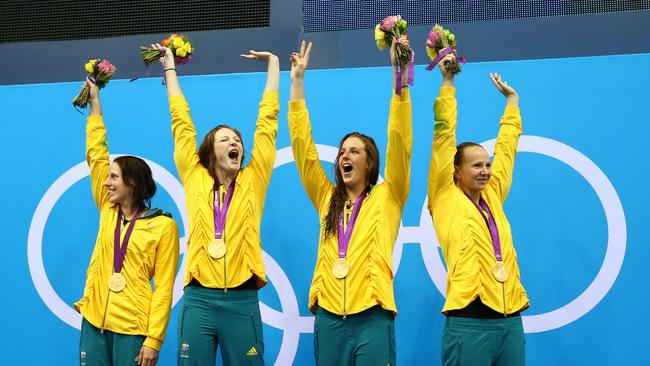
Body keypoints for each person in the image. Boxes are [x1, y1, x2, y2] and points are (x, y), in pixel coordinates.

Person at [153, 43, 279, 365]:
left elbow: (267, 126)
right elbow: (181, 123)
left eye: (237, 139)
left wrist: (274, 67)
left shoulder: (254, 178)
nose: (234, 142)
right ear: (210, 151)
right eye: (225, 139)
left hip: (242, 298)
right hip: (199, 299)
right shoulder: (194, 175)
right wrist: (169, 69)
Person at [287, 40, 412, 365]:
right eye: (343, 151)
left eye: (354, 151)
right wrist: (297, 84)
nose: (345, 155)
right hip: (329, 318)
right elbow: (303, 150)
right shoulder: (327, 197)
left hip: (373, 316)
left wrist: (400, 84)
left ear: (370, 163)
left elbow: (400, 142)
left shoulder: (390, 195)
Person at [427, 54, 530, 366]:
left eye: (487, 164)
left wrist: (512, 103)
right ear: (456, 171)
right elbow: (443, 137)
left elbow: (507, 149)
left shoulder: (493, 195)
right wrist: (448, 83)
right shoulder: (444, 196)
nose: (486, 170)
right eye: (476, 165)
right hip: (468, 324)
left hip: (510, 321)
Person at [75, 78, 180, 366]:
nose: (106, 183)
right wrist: (95, 104)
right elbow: (96, 155)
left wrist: (154, 338)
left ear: (132, 182)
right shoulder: (108, 210)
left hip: (133, 329)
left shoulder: (163, 225)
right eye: (107, 177)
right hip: (94, 322)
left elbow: (165, 288)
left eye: (114, 177)